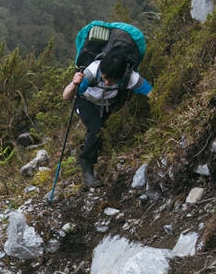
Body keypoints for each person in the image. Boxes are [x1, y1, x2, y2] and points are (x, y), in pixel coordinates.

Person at [62, 50, 152, 188]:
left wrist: (173, 112)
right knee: (96, 128)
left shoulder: (130, 77)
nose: (107, 82)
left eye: (112, 80)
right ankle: (87, 168)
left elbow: (153, 94)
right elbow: (66, 96)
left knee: (100, 131)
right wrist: (74, 84)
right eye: (104, 78)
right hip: (84, 100)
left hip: (107, 104)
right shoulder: (91, 72)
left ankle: (88, 148)